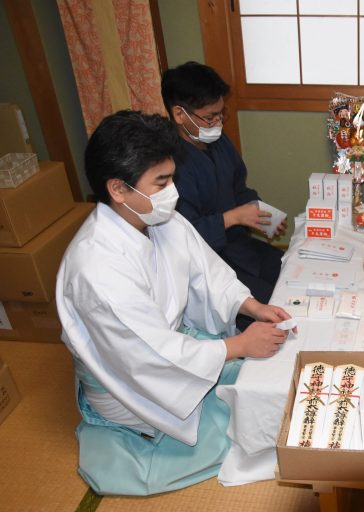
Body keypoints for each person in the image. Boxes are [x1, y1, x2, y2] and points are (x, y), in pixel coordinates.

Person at [56, 111, 294, 495]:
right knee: (244, 430)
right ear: (118, 189)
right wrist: (236, 346)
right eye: (162, 181)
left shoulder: (154, 217)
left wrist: (249, 306)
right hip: (129, 379)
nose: (174, 192)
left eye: (172, 178)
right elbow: (146, 353)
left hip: (176, 348)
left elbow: (206, 272)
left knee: (267, 385)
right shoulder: (95, 267)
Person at [161, 62, 286, 331]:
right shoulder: (168, 165)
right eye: (210, 117)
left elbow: (238, 186)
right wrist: (232, 217)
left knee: (287, 272)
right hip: (210, 260)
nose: (217, 123)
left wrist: (259, 211)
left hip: (239, 245)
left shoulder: (216, 140)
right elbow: (181, 236)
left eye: (221, 114)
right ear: (179, 114)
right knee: (270, 305)